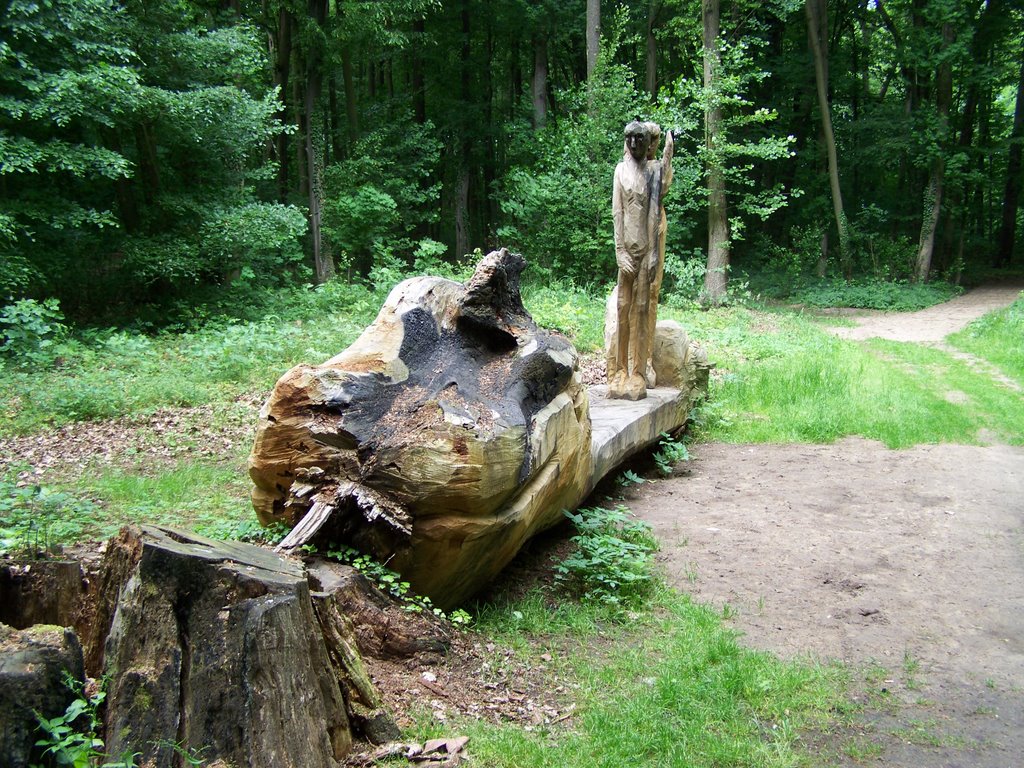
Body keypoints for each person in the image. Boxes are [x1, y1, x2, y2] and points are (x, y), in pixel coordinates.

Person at [608, 121, 672, 400]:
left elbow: (653, 213)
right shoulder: (620, 171)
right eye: (630, 138)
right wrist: (620, 251)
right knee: (623, 307)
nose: (634, 143)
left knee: (642, 308)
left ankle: (637, 372)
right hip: (627, 251)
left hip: (646, 250)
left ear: (648, 143)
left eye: (640, 138)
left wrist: (653, 255)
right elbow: (617, 213)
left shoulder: (654, 171)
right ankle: (620, 369)